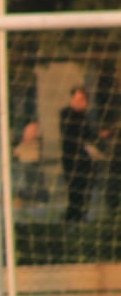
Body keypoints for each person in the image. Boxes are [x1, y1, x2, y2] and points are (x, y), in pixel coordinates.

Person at [59, 87, 106, 222]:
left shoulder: (84, 116)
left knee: (86, 187)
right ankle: (73, 216)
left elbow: (88, 135)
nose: (83, 102)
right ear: (73, 99)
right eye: (80, 99)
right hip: (71, 159)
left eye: (84, 99)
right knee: (75, 188)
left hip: (83, 159)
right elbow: (75, 135)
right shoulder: (67, 113)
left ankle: (81, 215)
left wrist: (99, 135)